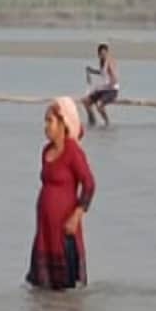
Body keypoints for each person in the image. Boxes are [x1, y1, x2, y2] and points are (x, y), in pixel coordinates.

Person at [27, 98, 96, 290]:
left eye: (50, 121)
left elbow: (89, 184)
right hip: (45, 228)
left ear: (63, 123)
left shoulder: (73, 152)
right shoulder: (46, 152)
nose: (46, 126)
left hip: (65, 228)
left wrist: (76, 216)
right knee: (41, 289)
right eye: (45, 121)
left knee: (67, 289)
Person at [82, 43, 119, 129]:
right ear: (98, 54)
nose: (103, 55)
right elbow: (102, 73)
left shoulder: (110, 62)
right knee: (86, 102)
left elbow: (115, 78)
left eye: (104, 53)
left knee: (99, 105)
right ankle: (92, 121)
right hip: (103, 89)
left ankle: (107, 123)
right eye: (101, 54)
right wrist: (91, 70)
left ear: (107, 53)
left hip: (112, 90)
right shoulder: (101, 61)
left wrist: (106, 86)